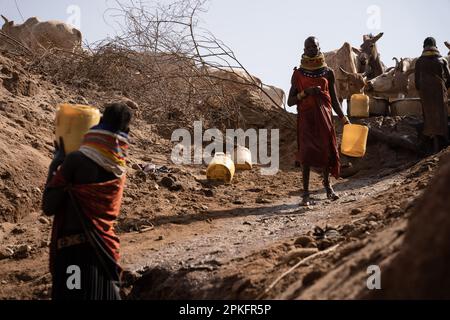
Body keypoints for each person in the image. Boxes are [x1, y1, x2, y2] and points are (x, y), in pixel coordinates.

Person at [42, 103, 132, 300]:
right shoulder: (120, 170)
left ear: (100, 123)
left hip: (73, 255)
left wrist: (55, 163)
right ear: (126, 131)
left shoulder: (75, 160)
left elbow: (48, 206)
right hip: (103, 252)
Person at [287, 36, 350, 206]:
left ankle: (328, 187)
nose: (311, 49)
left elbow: (335, 100)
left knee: (326, 151)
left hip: (324, 117)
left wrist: (344, 118)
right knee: (306, 154)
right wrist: (305, 92)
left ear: (319, 47)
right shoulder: (298, 74)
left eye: (314, 46)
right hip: (306, 119)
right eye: (308, 47)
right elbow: (290, 101)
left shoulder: (328, 72)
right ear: (304, 50)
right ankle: (306, 193)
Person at [415, 37, 450, 154]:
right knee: (441, 114)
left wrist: (422, 90)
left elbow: (416, 82)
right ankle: (444, 138)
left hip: (425, 92)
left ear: (424, 46)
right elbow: (449, 78)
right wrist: (444, 87)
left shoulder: (419, 61)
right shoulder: (442, 60)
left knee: (428, 115)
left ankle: (428, 138)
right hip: (440, 91)